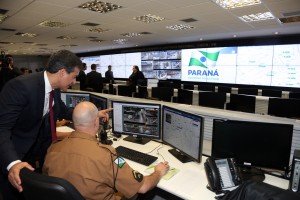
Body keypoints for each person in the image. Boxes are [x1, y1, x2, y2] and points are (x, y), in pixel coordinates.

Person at [0, 50, 111, 200]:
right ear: (62, 72)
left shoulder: (54, 90)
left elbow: (64, 111)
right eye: (73, 77)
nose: (74, 82)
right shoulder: (21, 87)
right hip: (13, 154)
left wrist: (94, 114)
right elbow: (2, 128)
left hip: (36, 153)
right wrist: (12, 163)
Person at [43, 101, 169, 200]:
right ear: (96, 122)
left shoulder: (53, 148)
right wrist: (158, 172)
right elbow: (143, 187)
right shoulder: (108, 155)